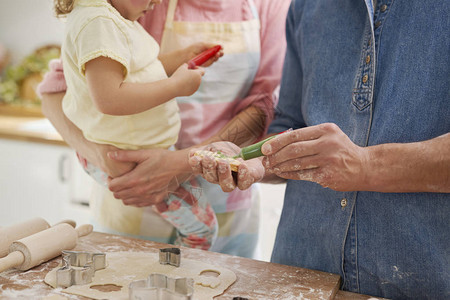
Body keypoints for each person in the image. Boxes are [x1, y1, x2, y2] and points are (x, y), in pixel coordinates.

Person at [188, 0, 450, 299]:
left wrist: (365, 166)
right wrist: (256, 161)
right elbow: (290, 123)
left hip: (423, 280)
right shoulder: (308, 6)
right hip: (298, 275)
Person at [39, 0, 291, 258]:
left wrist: (182, 163)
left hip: (228, 202)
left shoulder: (271, 5)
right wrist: (98, 154)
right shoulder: (121, 11)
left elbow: (265, 104)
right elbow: (61, 87)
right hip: (132, 196)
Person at [45, 0, 225, 250]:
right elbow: (109, 99)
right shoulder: (99, 23)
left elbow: (139, 71)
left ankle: (171, 278)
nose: (157, 1)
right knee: (201, 230)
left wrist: (183, 59)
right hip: (131, 159)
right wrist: (177, 87)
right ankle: (177, 281)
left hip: (138, 151)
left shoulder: (111, 20)